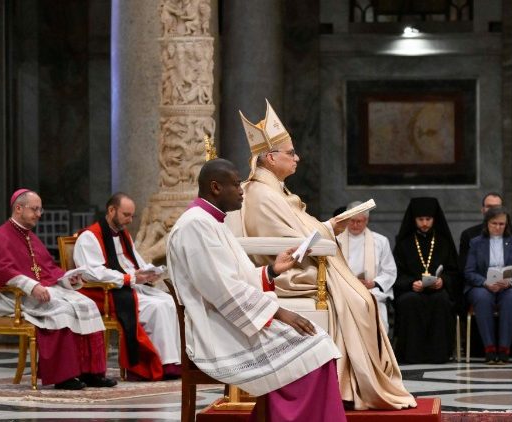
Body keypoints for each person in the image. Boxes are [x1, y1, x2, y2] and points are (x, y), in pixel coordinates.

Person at [231, 100, 415, 410]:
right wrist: (327, 231)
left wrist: (329, 226)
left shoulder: (274, 190)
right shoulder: (263, 194)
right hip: (287, 272)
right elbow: (288, 242)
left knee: (363, 299)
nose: (297, 158)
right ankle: (350, 386)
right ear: (271, 157)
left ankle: (349, 383)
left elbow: (297, 231)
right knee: (358, 300)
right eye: (291, 153)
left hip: (296, 262)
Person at [166, 159, 346, 422]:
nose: (242, 191)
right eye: (236, 184)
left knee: (318, 344)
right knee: (315, 349)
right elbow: (223, 290)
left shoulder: (211, 222)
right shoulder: (195, 225)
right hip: (216, 332)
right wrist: (280, 312)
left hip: (229, 321)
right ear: (216, 187)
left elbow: (233, 279)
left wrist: (271, 270)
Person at [0, 189, 116, 390]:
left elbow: (48, 268)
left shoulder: (30, 237)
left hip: (38, 292)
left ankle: (91, 372)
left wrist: (68, 279)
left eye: (40, 210)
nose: (39, 214)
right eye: (34, 209)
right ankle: (64, 376)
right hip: (14, 298)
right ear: (18, 208)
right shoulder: (0, 236)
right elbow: (3, 271)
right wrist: (32, 286)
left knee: (88, 304)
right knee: (62, 310)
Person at [73, 193, 181, 381]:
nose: (130, 220)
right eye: (126, 215)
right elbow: (92, 272)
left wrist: (149, 272)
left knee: (169, 301)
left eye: (132, 215)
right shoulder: (90, 237)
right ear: (111, 210)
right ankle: (154, 365)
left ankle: (173, 363)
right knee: (157, 307)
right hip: (103, 293)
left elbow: (135, 262)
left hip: (126, 286)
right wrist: (129, 277)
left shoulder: (123, 235)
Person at [393, 197, 459, 364]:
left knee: (442, 301)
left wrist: (443, 281)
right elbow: (396, 272)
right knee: (409, 301)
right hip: (411, 291)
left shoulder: (444, 242)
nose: (424, 223)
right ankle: (412, 354)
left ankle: (439, 354)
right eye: (420, 219)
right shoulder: (404, 243)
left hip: (438, 291)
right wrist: (411, 283)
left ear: (434, 219)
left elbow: (454, 271)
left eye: (428, 219)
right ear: (414, 219)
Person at [464, 206, 512, 364]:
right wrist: (485, 282)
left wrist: (510, 282)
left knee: (511, 298)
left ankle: (505, 349)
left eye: (501, 224)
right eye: (494, 223)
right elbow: (469, 271)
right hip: (483, 286)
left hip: (509, 286)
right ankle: (490, 349)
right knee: (482, 298)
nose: (498, 227)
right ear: (487, 223)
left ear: (507, 224)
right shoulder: (476, 243)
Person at [337, 201, 396, 332]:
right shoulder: (337, 240)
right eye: (352, 221)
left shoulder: (380, 241)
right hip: (343, 290)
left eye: (359, 221)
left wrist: (373, 283)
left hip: (370, 290)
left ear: (367, 220)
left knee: (373, 308)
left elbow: (389, 271)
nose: (355, 225)